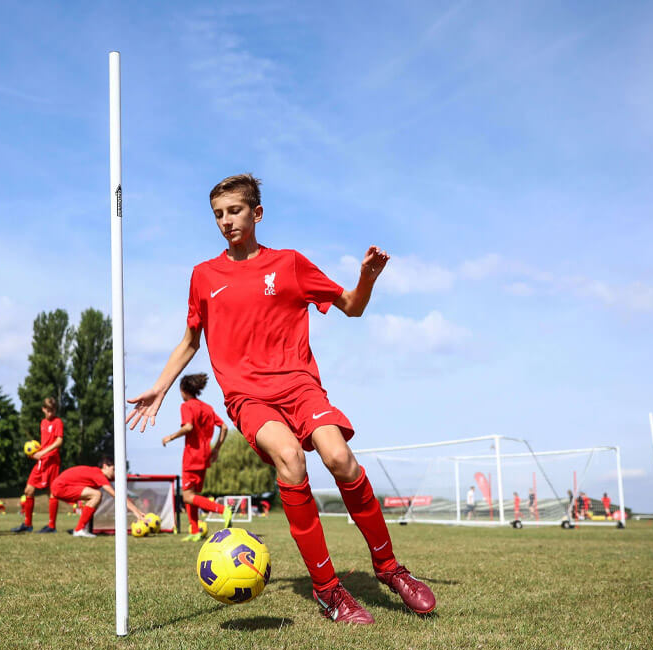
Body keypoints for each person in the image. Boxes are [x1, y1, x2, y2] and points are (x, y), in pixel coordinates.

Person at [126, 174, 435, 624]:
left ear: (257, 213)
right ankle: (328, 590)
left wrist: (366, 278)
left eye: (234, 211)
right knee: (290, 458)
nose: (226, 221)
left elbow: (352, 305)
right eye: (218, 214)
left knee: (341, 459)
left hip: (299, 385)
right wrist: (161, 384)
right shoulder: (203, 276)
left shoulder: (289, 264)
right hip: (248, 396)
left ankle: (390, 569)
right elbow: (190, 342)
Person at [161, 373, 232, 541]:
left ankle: (222, 510)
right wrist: (217, 449)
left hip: (192, 457)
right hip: (205, 455)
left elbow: (188, 427)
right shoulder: (207, 407)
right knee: (191, 495)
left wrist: (169, 437)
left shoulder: (186, 406)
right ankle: (194, 530)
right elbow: (224, 427)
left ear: (184, 390)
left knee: (187, 496)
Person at [50, 456, 145, 538]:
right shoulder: (98, 474)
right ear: (105, 466)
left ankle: (81, 528)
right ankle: (79, 529)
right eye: (113, 469)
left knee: (94, 496)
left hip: (58, 487)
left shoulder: (95, 472)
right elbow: (116, 495)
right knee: (96, 494)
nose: (115, 473)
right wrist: (135, 511)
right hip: (60, 487)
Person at [12, 397, 63, 534]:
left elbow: (59, 441)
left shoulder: (58, 422)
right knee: (28, 490)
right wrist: (35, 453)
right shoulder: (43, 422)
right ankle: (27, 524)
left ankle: (51, 526)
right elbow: (44, 442)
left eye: (53, 410)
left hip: (52, 461)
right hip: (41, 461)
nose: (50, 413)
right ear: (43, 409)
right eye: (48, 410)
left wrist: (43, 452)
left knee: (51, 492)